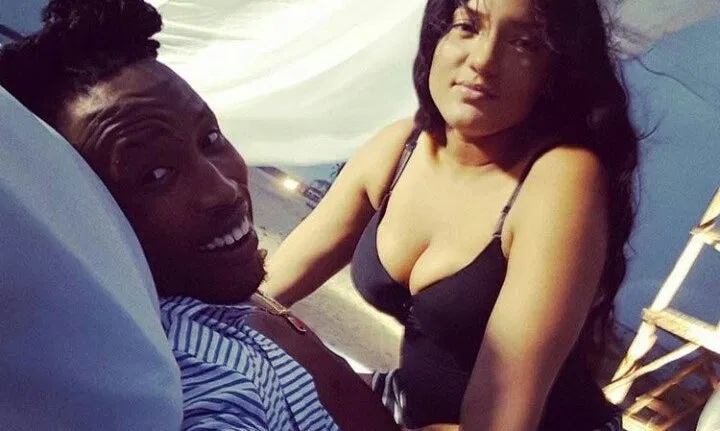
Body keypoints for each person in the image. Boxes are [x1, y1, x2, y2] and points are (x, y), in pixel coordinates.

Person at [0, 1, 397, 430]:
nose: (224, 190)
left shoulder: (216, 292)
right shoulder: (193, 382)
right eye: (155, 176)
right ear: (78, 209)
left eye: (210, 138)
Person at [263, 0, 639, 430]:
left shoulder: (561, 178)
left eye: (525, 43)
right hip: (408, 405)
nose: (483, 60)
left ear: (555, 71)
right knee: (262, 355)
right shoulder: (400, 150)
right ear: (436, 37)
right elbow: (263, 292)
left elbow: (499, 420)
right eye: (467, 26)